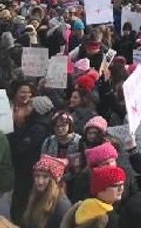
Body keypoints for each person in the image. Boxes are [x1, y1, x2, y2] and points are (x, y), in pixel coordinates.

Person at [9, 92, 53, 223]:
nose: (26, 107)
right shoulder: (33, 124)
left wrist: (15, 127)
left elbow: (20, 148)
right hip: (25, 169)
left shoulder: (38, 128)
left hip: (27, 170)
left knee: (22, 200)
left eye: (30, 105)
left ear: (37, 110)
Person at [60, 165, 126, 228]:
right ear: (100, 189)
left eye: (122, 184)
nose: (121, 189)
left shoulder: (82, 206)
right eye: (115, 186)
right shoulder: (108, 218)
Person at [23, 155, 72, 228]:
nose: (40, 182)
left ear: (54, 180)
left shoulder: (62, 205)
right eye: (37, 176)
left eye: (45, 177)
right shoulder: (35, 196)